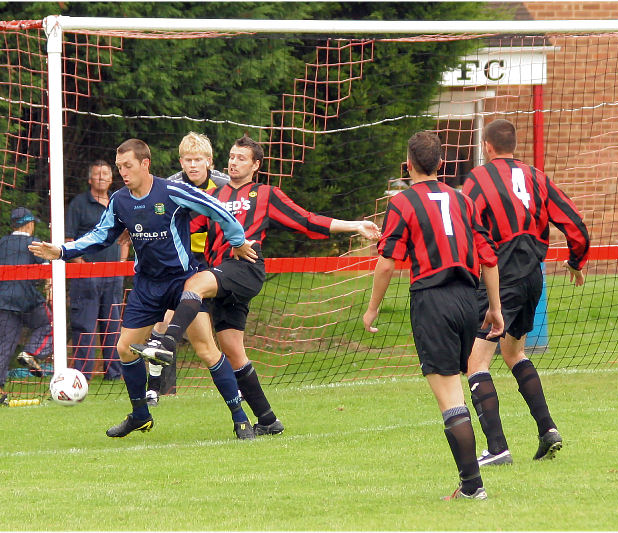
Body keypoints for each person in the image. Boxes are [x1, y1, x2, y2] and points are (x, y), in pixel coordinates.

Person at [130, 134, 381, 436]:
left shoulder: (266, 194)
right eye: (232, 156)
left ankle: (165, 342)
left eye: (242, 158)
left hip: (245, 268)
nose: (234, 162)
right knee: (233, 351)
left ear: (256, 165)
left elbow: (308, 220)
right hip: (220, 275)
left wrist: (354, 225)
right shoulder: (213, 195)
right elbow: (181, 226)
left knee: (194, 283)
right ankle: (268, 420)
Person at [29, 138, 260, 439]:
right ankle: (140, 415)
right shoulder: (120, 200)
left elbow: (217, 209)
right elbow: (101, 236)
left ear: (145, 164)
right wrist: (62, 251)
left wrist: (237, 240)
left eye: (128, 166)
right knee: (125, 348)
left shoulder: (172, 191)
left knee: (206, 350)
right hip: (147, 286)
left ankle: (240, 418)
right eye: (119, 167)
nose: (123, 172)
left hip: (183, 281)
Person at [362, 131, 504, 500]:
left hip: (433, 301)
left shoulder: (403, 202)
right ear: (441, 164)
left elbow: (387, 262)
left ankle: (473, 487)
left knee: (449, 397)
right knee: (455, 387)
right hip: (466, 299)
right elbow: (488, 257)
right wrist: (495, 308)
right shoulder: (462, 201)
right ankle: (470, 484)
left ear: (408, 164)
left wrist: (373, 307)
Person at [461, 119, 591, 466]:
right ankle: (548, 430)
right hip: (533, 277)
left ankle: (497, 448)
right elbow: (576, 225)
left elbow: (464, 226)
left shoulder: (478, 180)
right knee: (514, 352)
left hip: (499, 279)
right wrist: (575, 262)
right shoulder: (537, 177)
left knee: (476, 361)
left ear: (487, 146)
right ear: (514, 145)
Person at [145, 131, 231, 404]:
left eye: (198, 160)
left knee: (222, 335)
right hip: (182, 263)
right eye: (188, 160)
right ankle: (155, 387)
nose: (193, 165)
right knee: (163, 322)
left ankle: (238, 383)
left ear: (210, 161)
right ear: (181, 162)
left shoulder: (224, 186)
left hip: (217, 262)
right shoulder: (168, 187)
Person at [65, 160, 128, 381]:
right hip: (86, 276)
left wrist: (121, 267)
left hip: (114, 275)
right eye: (97, 174)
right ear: (90, 179)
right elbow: (69, 239)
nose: (102, 177)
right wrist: (82, 268)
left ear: (112, 178)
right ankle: (83, 375)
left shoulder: (118, 201)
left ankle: (114, 372)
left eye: (106, 173)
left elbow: (124, 239)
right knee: (85, 325)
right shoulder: (78, 204)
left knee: (113, 325)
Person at [0, 207, 53, 394]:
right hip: (27, 298)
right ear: (30, 224)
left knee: (3, 343)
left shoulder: (1, 243)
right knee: (51, 323)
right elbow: (47, 269)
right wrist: (49, 289)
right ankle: (31, 353)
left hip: (3, 299)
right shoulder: (34, 242)